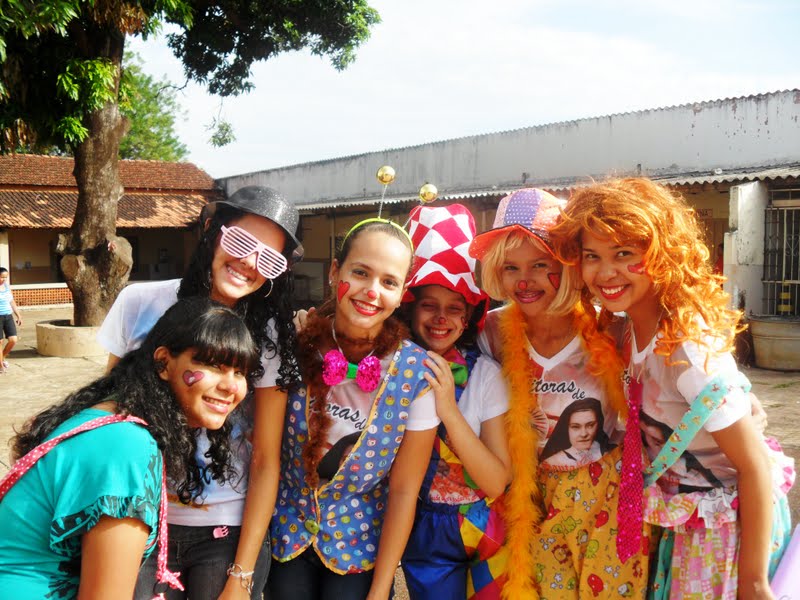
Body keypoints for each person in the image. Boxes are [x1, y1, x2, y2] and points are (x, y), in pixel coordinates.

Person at [554, 177, 795, 599]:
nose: (605, 272)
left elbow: (754, 465)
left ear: (661, 254)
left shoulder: (686, 348)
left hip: (729, 529)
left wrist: (754, 583)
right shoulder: (628, 329)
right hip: (687, 518)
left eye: (624, 254)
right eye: (592, 256)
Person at [97, 186, 303, 599]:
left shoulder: (270, 337)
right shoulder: (140, 303)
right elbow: (110, 418)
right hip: (141, 517)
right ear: (211, 229)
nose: (249, 262)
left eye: (269, 259)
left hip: (226, 530)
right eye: (241, 241)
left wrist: (242, 575)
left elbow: (265, 458)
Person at [0, 297, 258, 599]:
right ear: (163, 363)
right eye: (213, 365)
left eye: (240, 372)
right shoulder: (126, 447)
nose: (231, 386)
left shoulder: (108, 415)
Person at [468, 188, 648, 598]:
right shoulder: (490, 332)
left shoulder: (610, 328)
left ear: (565, 267)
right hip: (526, 499)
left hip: (605, 496)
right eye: (511, 268)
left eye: (540, 265)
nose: (524, 281)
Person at [267, 218, 439, 600]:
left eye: (389, 282)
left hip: (359, 548)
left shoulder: (416, 374)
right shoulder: (293, 343)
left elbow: (404, 491)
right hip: (286, 534)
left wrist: (379, 591)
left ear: (401, 294)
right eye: (360, 272)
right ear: (335, 271)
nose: (371, 291)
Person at [397, 204, 511, 600]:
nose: (441, 318)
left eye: (454, 308)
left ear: (469, 316)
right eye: (429, 305)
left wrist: (447, 407)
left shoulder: (486, 375)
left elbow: (496, 481)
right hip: (424, 528)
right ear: (410, 309)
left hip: (488, 528)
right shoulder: (391, 370)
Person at [540, 397, 615, 468]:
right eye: (575, 427)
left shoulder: (613, 452)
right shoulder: (551, 462)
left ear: (599, 425)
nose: (584, 434)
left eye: (590, 425)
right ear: (566, 429)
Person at [0, 267, 22, 373]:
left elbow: (11, 302)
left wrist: (18, 315)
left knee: (13, 340)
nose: (4, 279)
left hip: (8, 316)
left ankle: (2, 357)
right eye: (2, 277)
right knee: (0, 341)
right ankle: (1, 366)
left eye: (6, 277)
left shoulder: (6, 287)